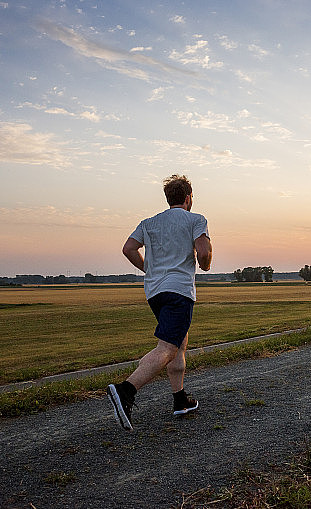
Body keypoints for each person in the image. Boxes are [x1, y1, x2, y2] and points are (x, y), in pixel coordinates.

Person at [107, 174, 212, 431]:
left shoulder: (149, 222)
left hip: (155, 292)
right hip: (179, 291)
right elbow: (204, 253)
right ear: (188, 198)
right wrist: (205, 263)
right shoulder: (196, 219)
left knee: (178, 343)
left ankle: (180, 400)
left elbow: (128, 249)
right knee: (167, 348)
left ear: (168, 199)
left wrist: (148, 269)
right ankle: (125, 390)